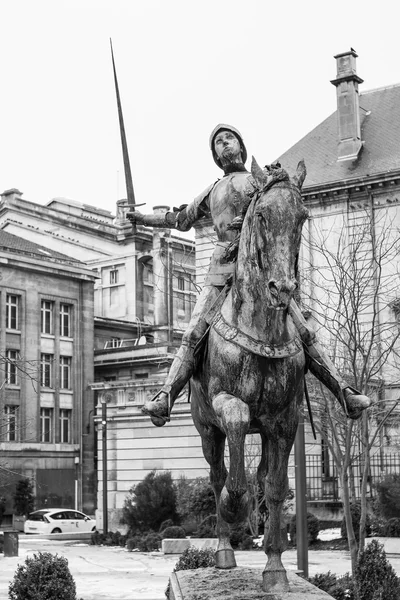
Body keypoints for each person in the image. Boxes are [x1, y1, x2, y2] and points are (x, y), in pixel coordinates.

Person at [128, 124, 370, 426]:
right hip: (220, 270)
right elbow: (179, 220)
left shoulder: (258, 182)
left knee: (303, 331)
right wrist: (142, 218)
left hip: (258, 272)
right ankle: (166, 396)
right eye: (217, 142)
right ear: (215, 154)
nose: (223, 145)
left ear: (241, 146)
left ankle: (343, 391)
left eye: (228, 139)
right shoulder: (212, 190)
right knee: (193, 332)